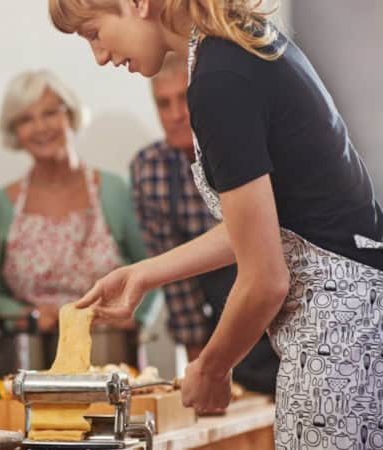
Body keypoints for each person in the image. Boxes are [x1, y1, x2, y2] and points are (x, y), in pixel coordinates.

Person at [49, 0, 383, 446]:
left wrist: (211, 368)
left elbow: (265, 280)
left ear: (137, 4)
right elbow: (266, 225)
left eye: (93, 33)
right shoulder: (238, 46)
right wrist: (143, 274)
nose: (100, 56)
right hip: (359, 318)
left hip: (340, 335)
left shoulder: (218, 81)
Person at [0, 69, 158, 368]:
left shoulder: (115, 192)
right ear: (15, 132)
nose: (40, 127)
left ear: (70, 115)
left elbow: (153, 268)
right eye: (26, 119)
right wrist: (28, 316)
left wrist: (135, 317)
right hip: (32, 360)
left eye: (50, 113)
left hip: (110, 354)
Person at [130, 53, 278, 394]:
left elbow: (267, 250)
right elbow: (179, 287)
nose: (176, 115)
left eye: (183, 99)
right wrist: (204, 373)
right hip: (227, 328)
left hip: (287, 306)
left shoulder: (247, 145)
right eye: (163, 104)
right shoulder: (151, 169)